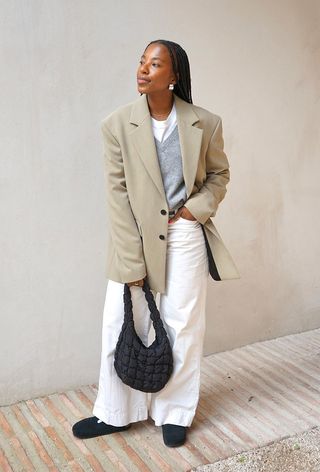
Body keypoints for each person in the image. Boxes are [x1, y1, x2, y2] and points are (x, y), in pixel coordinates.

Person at [72, 39, 239, 447]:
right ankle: (114, 412)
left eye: (155, 63)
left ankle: (174, 412)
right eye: (142, 62)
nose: (143, 69)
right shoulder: (116, 125)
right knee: (123, 322)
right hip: (135, 235)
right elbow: (118, 196)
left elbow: (219, 176)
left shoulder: (205, 122)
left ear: (174, 75)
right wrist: (131, 262)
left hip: (184, 235)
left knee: (183, 325)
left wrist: (195, 210)